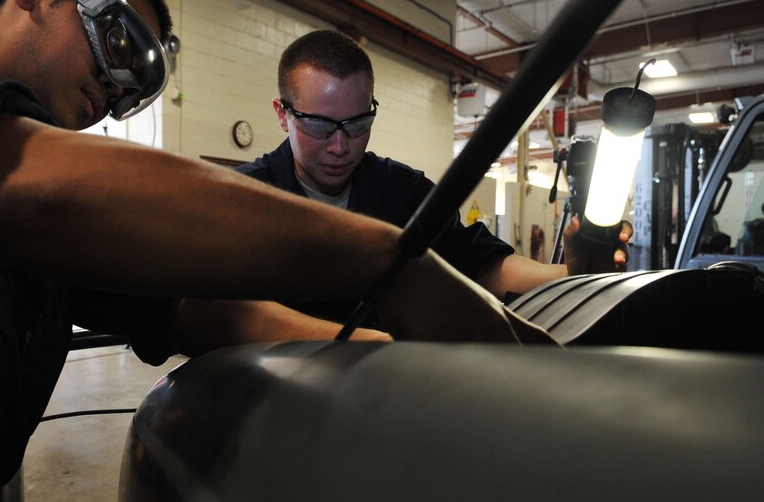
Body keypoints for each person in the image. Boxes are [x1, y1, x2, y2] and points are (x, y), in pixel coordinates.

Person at [0, 0, 553, 502]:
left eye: (134, 82)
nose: (114, 89)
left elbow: (204, 312)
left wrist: (395, 354)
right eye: (114, 42)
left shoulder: (53, 236)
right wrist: (389, 261)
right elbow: (41, 188)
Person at [236, 29, 631, 324]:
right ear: (282, 113)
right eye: (321, 126)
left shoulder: (403, 193)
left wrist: (570, 275)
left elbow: (480, 265)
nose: (340, 146)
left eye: (358, 124)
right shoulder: (243, 199)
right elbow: (217, 315)